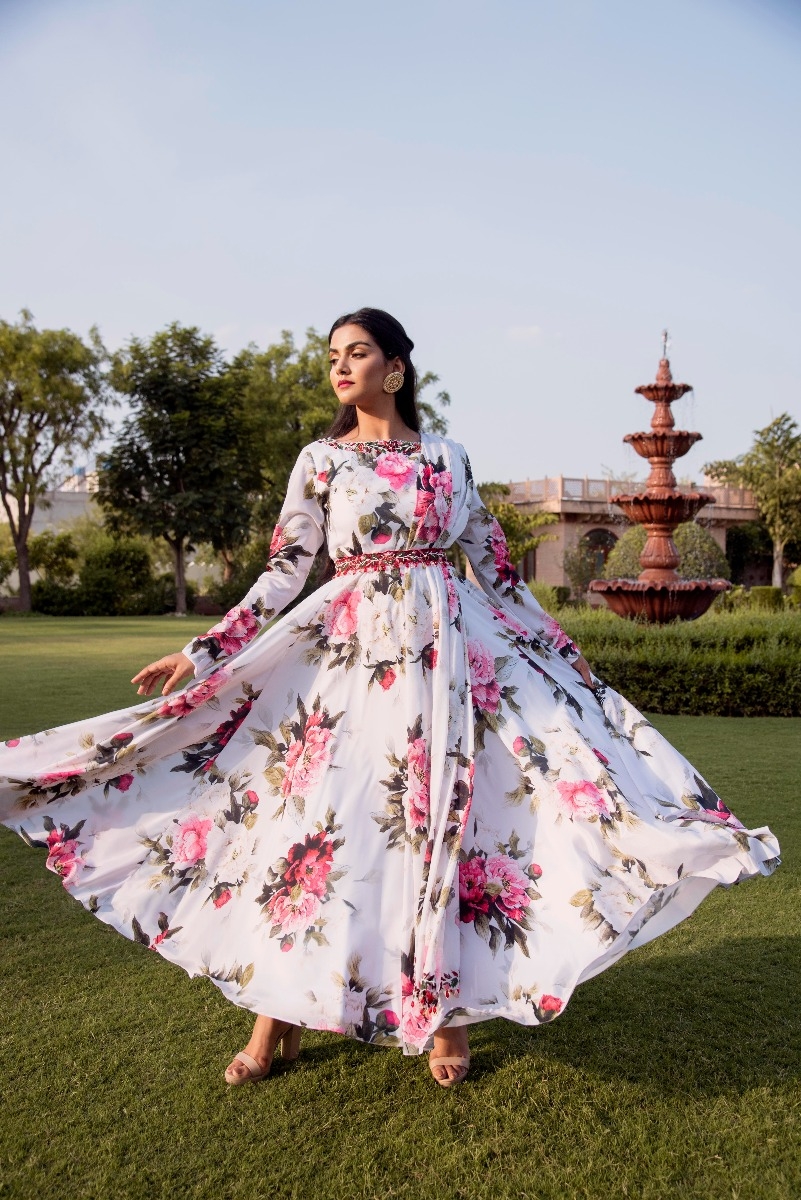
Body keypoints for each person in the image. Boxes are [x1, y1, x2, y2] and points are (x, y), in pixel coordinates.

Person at [0, 308, 780, 1089]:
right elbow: (282, 571)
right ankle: (274, 1018)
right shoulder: (319, 460)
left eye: (358, 352)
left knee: (444, 820)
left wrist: (560, 650)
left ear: (396, 367)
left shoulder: (448, 458)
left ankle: (445, 1016)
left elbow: (495, 569)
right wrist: (205, 650)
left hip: (446, 660)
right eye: (333, 355)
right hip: (347, 660)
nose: (341, 367)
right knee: (317, 824)